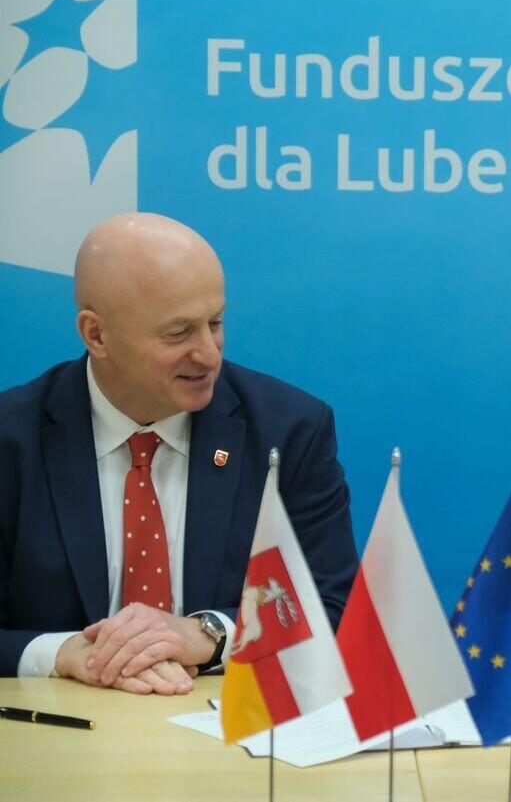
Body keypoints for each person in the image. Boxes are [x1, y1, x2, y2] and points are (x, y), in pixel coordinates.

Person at [0, 213, 358, 694]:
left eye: (215, 323)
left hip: (222, 724)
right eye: (178, 333)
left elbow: (334, 609)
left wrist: (208, 634)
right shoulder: (11, 440)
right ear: (96, 334)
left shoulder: (289, 432)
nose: (209, 355)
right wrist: (61, 653)